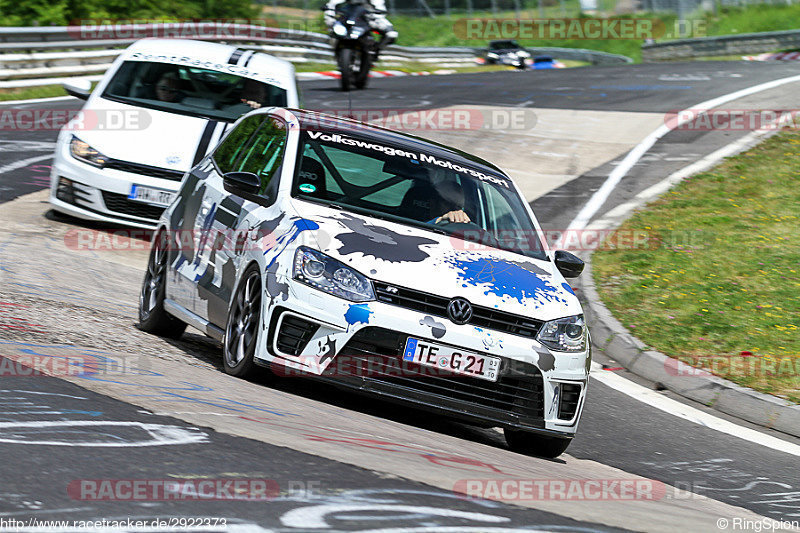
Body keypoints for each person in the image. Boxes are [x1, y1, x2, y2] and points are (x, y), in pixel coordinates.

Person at [324, 0, 398, 60]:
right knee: (334, 29)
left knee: (391, 34)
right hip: (348, 17)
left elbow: (380, 8)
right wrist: (330, 16)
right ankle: (337, 51)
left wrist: (375, 17)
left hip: (368, 18)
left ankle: (375, 50)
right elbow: (332, 4)